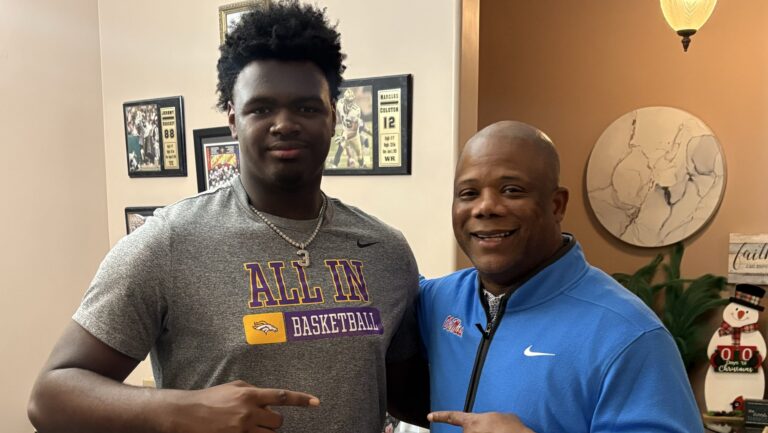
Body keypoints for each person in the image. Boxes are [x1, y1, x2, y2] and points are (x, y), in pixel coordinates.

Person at [27, 2, 422, 432]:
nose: (284, 124)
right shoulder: (171, 241)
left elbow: (406, 395)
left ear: (333, 116)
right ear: (233, 120)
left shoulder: (385, 250)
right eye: (261, 108)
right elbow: (50, 397)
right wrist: (182, 410)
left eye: (307, 108)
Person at [418, 121, 704, 433]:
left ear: (556, 205)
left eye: (511, 190)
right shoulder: (436, 301)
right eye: (468, 193)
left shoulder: (629, 335)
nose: (485, 207)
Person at [329, 88, 370, 168]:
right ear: (345, 99)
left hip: (354, 136)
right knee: (340, 149)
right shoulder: (340, 104)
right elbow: (335, 112)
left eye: (351, 100)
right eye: (348, 100)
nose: (350, 103)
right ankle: (334, 166)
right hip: (345, 131)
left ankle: (362, 165)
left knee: (359, 156)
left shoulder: (356, 110)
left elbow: (353, 131)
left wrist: (344, 137)